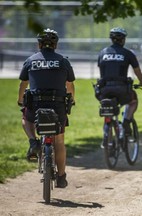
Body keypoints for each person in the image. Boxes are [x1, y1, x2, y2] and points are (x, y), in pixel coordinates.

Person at [17, 28, 75, 188]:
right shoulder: (63, 61)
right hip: (58, 105)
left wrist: (20, 100)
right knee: (59, 141)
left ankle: (33, 141)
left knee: (25, 118)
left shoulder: (31, 61)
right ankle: (61, 177)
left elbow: (23, 83)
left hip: (35, 104)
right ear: (55, 45)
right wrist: (73, 100)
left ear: (39, 44)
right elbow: (69, 85)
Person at [96, 27, 142, 134]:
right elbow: (137, 70)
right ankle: (127, 121)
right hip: (122, 89)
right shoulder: (127, 53)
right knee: (133, 101)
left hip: (104, 90)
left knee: (108, 107)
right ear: (123, 39)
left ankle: (107, 134)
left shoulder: (102, 53)